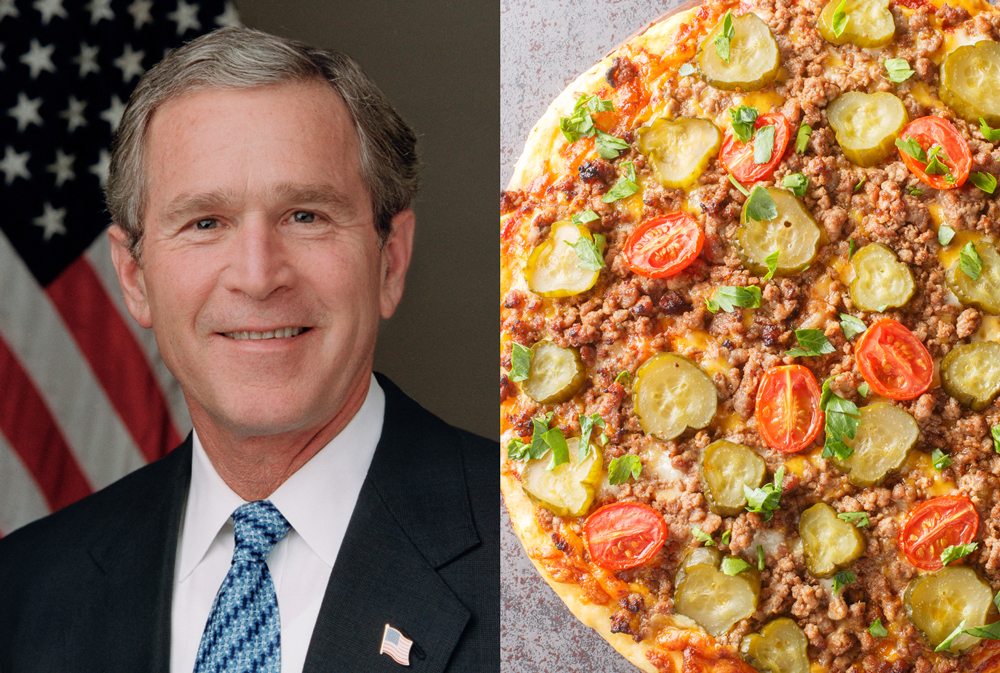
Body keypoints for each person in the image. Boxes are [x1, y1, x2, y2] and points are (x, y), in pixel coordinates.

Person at [0, 28, 497, 673]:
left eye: (306, 215)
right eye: (205, 223)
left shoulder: (553, 568)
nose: (259, 276)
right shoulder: (24, 592)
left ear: (390, 262)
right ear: (134, 278)